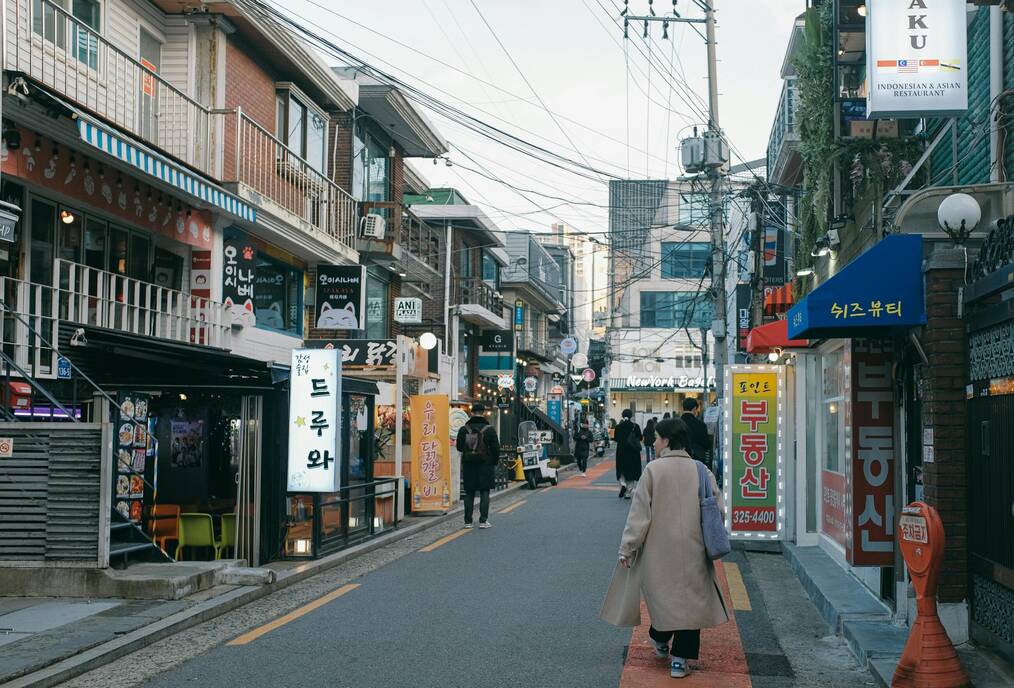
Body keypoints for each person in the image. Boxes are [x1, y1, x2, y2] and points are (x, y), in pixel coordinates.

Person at [610, 418, 729, 679]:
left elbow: (638, 516)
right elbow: (718, 510)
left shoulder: (653, 470)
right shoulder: (701, 470)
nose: (653, 442)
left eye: (656, 437)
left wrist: (627, 548)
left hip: (658, 550)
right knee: (691, 604)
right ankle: (680, 661)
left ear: (666, 440)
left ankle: (660, 638)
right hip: (695, 548)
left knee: (663, 599)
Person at [455, 403, 500, 529]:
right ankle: (483, 521)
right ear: (483, 412)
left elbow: (459, 447)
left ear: (471, 412)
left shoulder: (464, 429)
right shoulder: (489, 429)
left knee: (469, 492)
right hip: (485, 465)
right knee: (484, 492)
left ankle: (468, 521)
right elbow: (496, 449)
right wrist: (493, 462)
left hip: (469, 464)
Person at [612, 409, 642, 499]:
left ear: (622, 415)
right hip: (633, 452)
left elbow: (616, 439)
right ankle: (628, 492)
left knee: (621, 470)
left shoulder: (618, 427)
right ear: (631, 416)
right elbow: (640, 437)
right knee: (632, 472)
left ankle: (623, 484)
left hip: (621, 451)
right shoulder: (635, 426)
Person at [681, 398, 712, 469]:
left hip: (679, 460)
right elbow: (706, 444)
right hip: (697, 460)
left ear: (683, 407)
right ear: (695, 408)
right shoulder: (700, 425)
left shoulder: (675, 424)